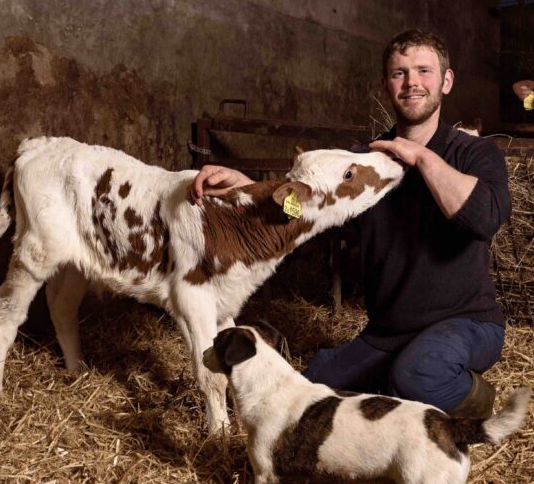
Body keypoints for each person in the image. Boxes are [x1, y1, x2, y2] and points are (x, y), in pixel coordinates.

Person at [190, 29, 511, 419]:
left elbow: (485, 219)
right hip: (389, 332)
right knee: (316, 384)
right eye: (399, 74)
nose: (412, 83)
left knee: (418, 377)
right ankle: (399, 382)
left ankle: (479, 402)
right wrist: (248, 188)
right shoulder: (362, 165)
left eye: (423, 71)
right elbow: (304, 213)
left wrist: (422, 159)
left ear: (446, 81)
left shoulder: (475, 153)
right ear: (385, 85)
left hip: (467, 323)